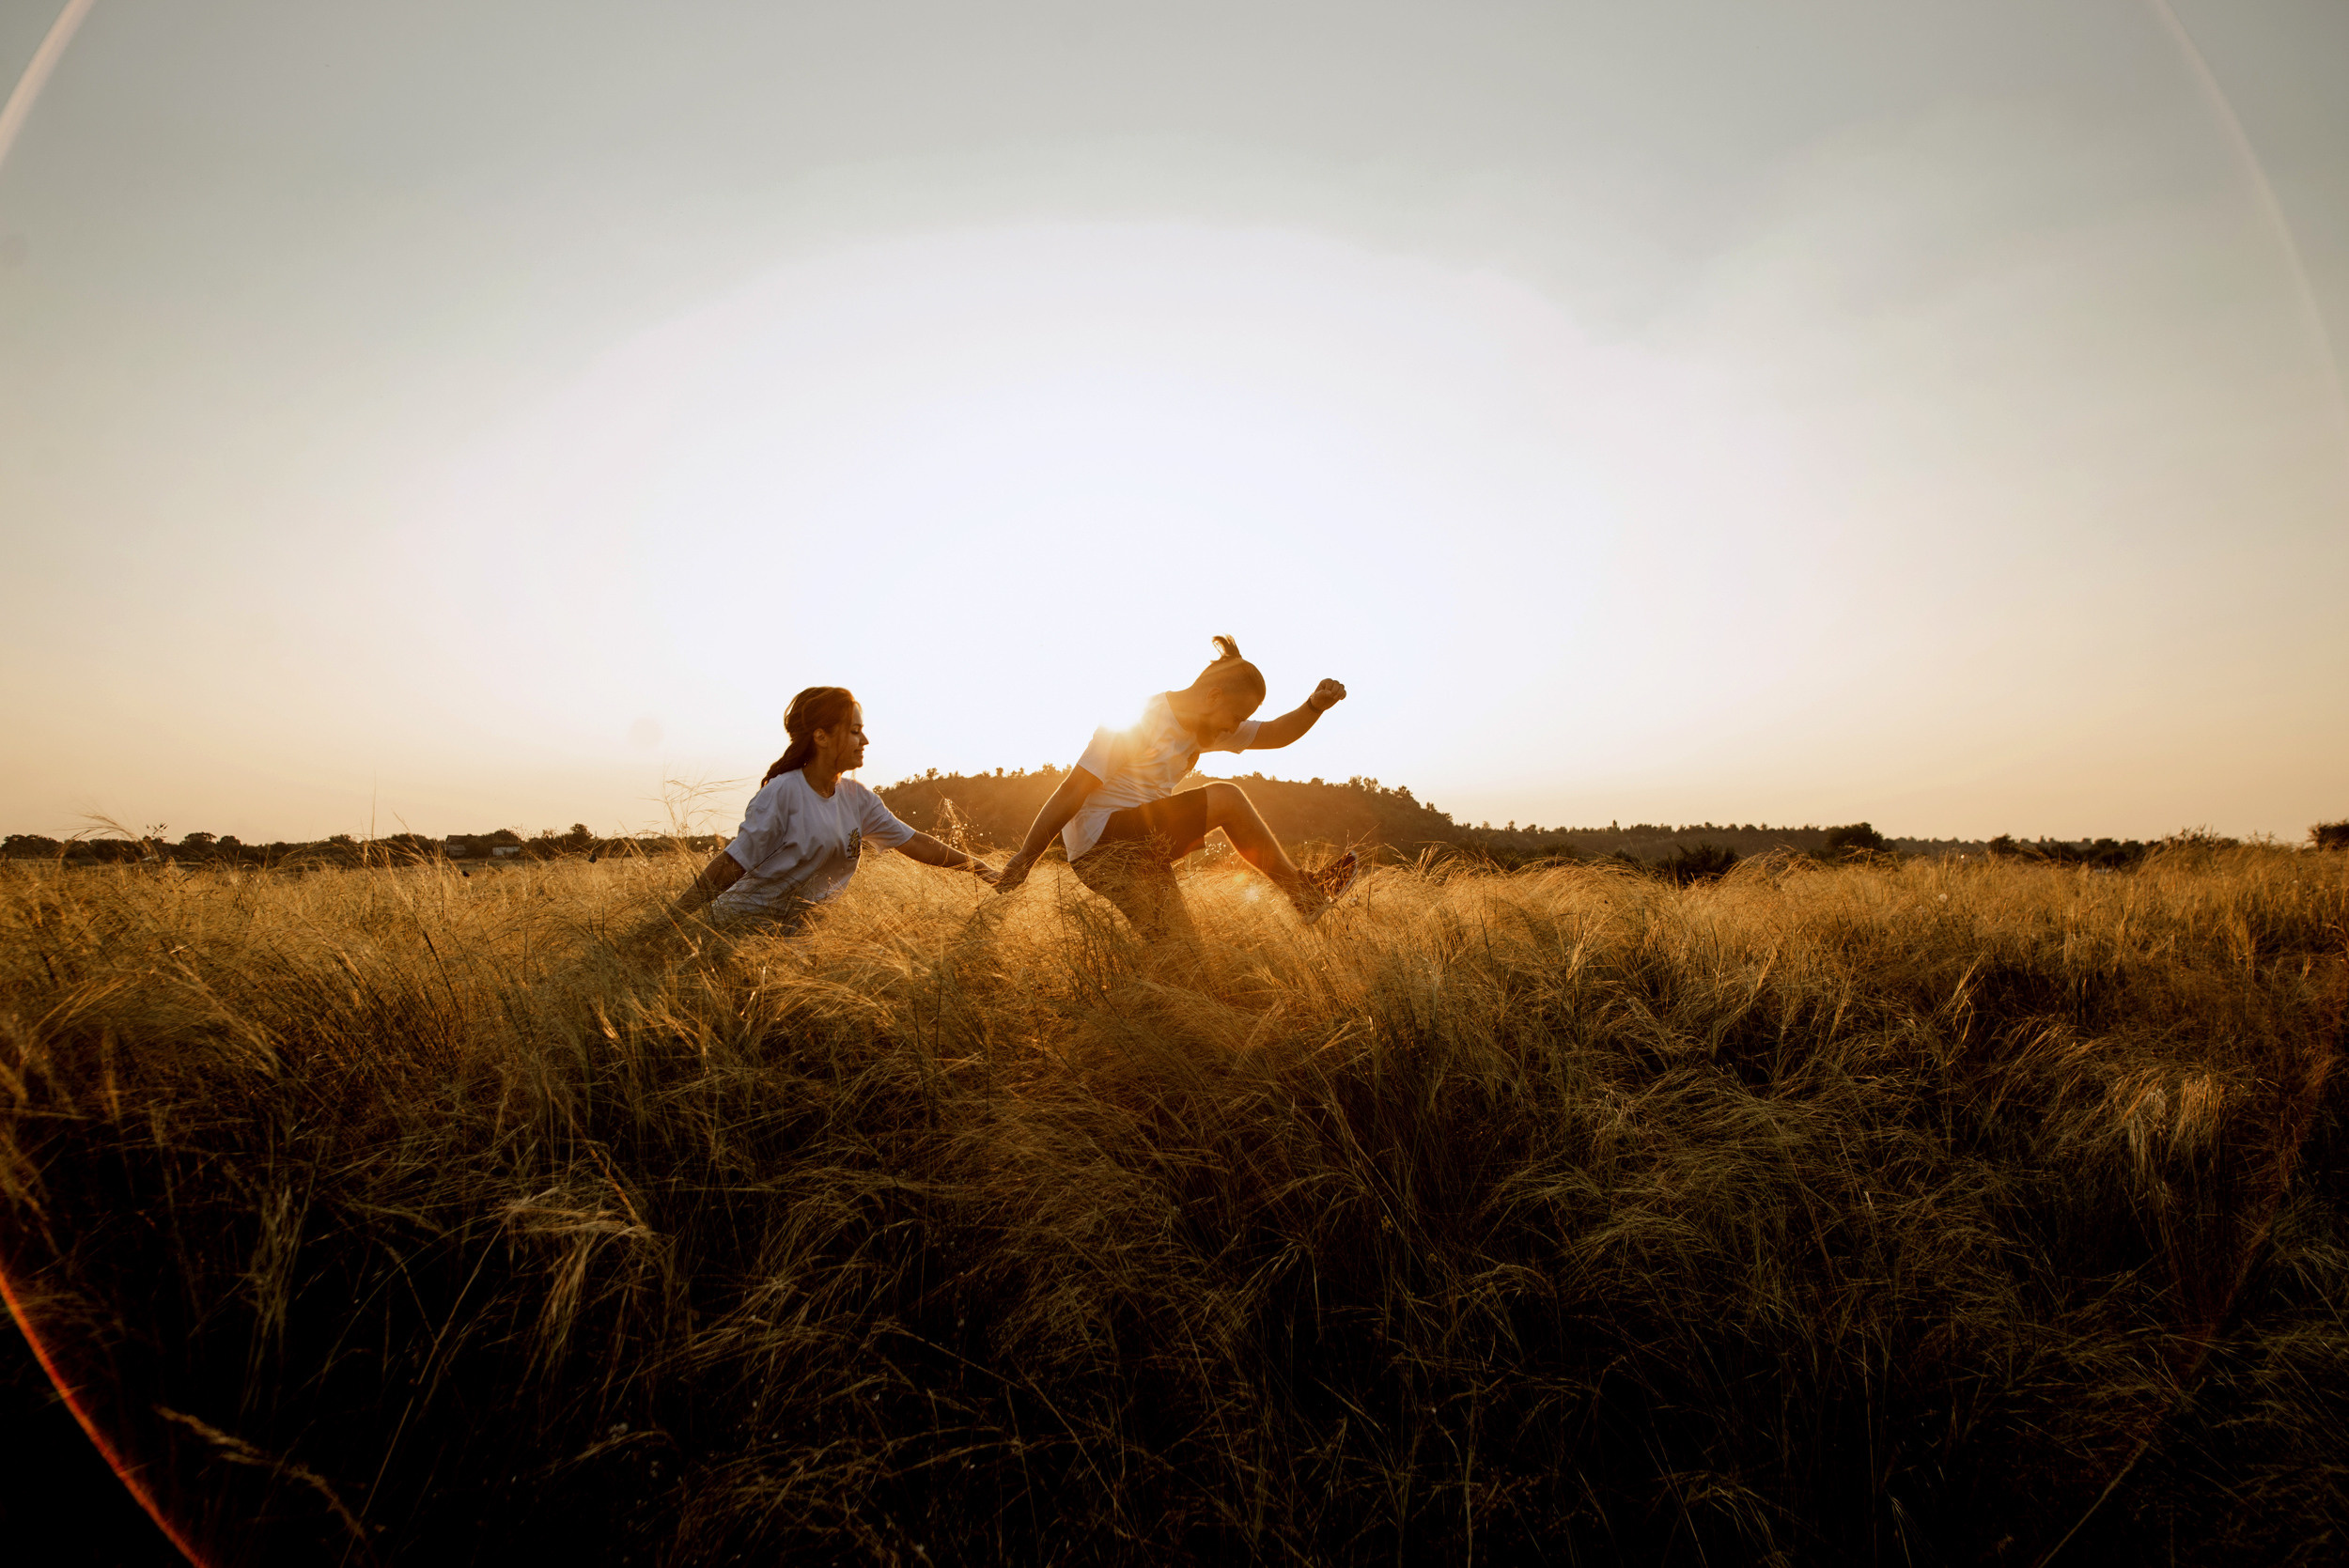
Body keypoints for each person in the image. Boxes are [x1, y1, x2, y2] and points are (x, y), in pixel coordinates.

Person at [992, 636, 1355, 940]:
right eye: (1236, 717)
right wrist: (1026, 857)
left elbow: (1275, 733)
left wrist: (1313, 707)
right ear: (1213, 697)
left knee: (1179, 953)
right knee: (1228, 799)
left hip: (1137, 847)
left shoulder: (1205, 726)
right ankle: (1303, 895)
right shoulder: (1142, 721)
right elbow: (1073, 790)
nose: (1235, 728)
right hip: (1104, 840)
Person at [670, 686, 995, 930]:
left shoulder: (858, 798)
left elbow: (916, 842)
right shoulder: (783, 792)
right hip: (739, 931)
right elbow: (732, 863)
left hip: (796, 941)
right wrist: (669, 922)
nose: (864, 741)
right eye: (855, 731)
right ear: (821, 737)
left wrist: (983, 869)